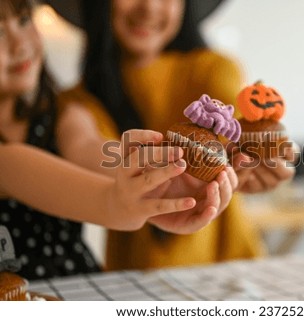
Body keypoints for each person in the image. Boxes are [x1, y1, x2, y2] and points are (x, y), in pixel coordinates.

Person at [0, 0, 234, 279]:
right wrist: (115, 202)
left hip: (78, 283)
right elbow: (10, 164)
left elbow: (89, 148)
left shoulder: (64, 112)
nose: (19, 45)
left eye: (25, 20)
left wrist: (158, 175)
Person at [59, 0, 296, 270]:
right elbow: (85, 149)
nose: (149, 7)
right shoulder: (76, 102)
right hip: (137, 280)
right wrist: (147, 174)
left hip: (231, 268)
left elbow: (234, 118)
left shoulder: (213, 69)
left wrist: (260, 154)